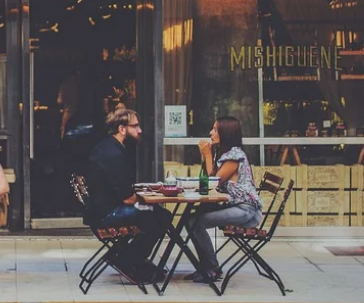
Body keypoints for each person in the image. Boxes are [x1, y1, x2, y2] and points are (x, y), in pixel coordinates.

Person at [82, 108, 171, 283]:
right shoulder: (114, 153)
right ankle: (127, 261)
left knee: (159, 215)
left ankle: (129, 258)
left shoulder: (109, 147)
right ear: (122, 129)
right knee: (161, 217)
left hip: (101, 210)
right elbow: (127, 198)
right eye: (135, 126)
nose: (140, 130)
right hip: (107, 214)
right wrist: (149, 196)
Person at [185, 116, 263, 283]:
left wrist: (207, 155)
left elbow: (213, 183)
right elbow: (209, 180)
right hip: (236, 205)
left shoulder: (235, 156)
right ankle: (205, 267)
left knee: (195, 222)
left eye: (215, 129)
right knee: (191, 219)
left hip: (246, 210)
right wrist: (207, 156)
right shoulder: (226, 154)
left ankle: (211, 268)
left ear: (225, 133)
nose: (210, 133)